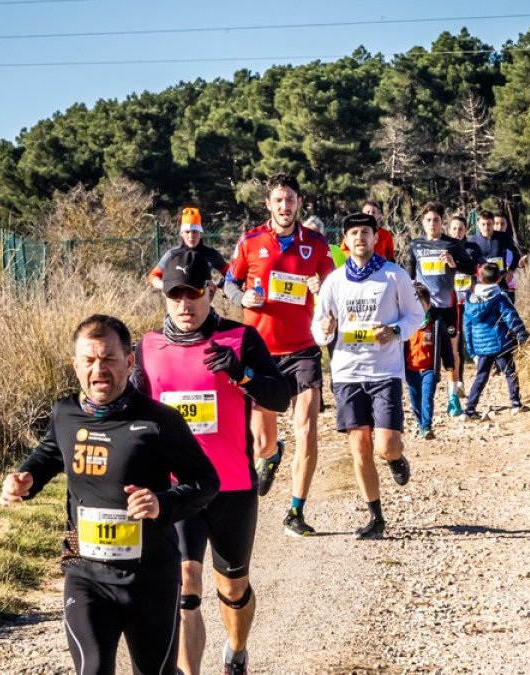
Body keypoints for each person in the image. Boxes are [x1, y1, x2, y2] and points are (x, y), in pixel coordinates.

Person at [0, 315, 220, 675]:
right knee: (93, 669)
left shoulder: (159, 421)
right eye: (88, 360)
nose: (98, 370)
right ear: (75, 364)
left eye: (109, 359)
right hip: (86, 575)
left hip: (151, 579)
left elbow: (206, 482)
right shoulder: (65, 414)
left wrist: (161, 503)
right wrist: (27, 479)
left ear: (129, 362)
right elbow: (50, 453)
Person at [133, 251, 290, 675]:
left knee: (233, 588)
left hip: (232, 487)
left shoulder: (241, 338)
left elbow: (280, 397)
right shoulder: (148, 347)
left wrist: (243, 374)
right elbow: (130, 415)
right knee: (186, 588)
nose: (185, 304)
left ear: (211, 291)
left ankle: (236, 652)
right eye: (175, 295)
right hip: (177, 489)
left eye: (194, 293)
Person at [223, 173, 334, 537]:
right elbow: (229, 282)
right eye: (279, 200)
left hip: (303, 350)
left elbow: (333, 286)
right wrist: (242, 297)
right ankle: (271, 455)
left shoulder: (316, 243)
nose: (285, 206)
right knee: (261, 441)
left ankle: (296, 512)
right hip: (260, 352)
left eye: (290, 200)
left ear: (299, 203)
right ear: (268, 204)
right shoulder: (250, 241)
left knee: (307, 429)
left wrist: (321, 287)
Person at [311, 212, 423, 539]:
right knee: (360, 446)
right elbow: (318, 326)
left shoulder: (394, 275)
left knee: (385, 446)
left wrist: (395, 330)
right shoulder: (334, 281)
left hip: (384, 371)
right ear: (345, 241)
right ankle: (376, 518)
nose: (359, 238)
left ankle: (395, 458)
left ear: (376, 238)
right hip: (347, 372)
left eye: (365, 232)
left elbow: (416, 315)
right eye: (353, 233)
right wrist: (325, 329)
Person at [407, 202, 476, 418]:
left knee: (452, 351)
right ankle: (422, 397)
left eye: (436, 220)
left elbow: (471, 267)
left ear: (442, 222)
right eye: (428, 220)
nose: (432, 224)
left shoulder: (452, 244)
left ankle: (453, 396)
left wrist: (454, 263)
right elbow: (409, 274)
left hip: (447, 305)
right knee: (421, 350)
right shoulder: (416, 245)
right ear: (422, 222)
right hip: (424, 308)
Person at [462, 263, 530, 419]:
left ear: (479, 278)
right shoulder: (499, 298)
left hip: (481, 347)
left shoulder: (470, 300)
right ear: (499, 279)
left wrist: (471, 348)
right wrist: (522, 334)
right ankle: (515, 404)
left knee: (481, 376)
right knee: (510, 373)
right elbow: (511, 317)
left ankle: (469, 410)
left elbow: (467, 326)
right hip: (501, 344)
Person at [149, 207, 229, 291]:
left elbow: (231, 275)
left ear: (200, 233)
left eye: (194, 231)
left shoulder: (211, 254)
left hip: (203, 299)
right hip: (178, 299)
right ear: (181, 233)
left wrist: (219, 285)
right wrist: (166, 286)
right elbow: (153, 276)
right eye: (187, 232)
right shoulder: (172, 254)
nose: (191, 236)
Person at [447, 214, 485, 388]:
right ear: (449, 230)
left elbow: (481, 266)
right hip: (450, 301)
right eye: (454, 228)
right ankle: (459, 379)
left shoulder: (472, 248)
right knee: (457, 341)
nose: (457, 232)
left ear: (466, 230)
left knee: (469, 336)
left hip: (469, 300)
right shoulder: (444, 247)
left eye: (460, 229)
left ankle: (480, 361)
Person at [404, 283, 439, 439]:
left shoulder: (435, 323)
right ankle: (420, 423)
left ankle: (426, 427)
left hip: (429, 369)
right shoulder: (406, 325)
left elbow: (444, 344)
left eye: (421, 306)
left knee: (427, 398)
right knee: (415, 399)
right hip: (411, 369)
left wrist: (449, 362)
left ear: (428, 305)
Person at [469, 209, 523, 303]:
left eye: (489, 224)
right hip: (482, 284)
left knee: (505, 308)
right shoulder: (472, 240)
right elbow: (470, 263)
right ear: (478, 224)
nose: (486, 227)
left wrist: (511, 270)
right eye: (483, 224)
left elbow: (516, 254)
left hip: (501, 281)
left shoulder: (503, 237)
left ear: (493, 223)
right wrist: (473, 281)